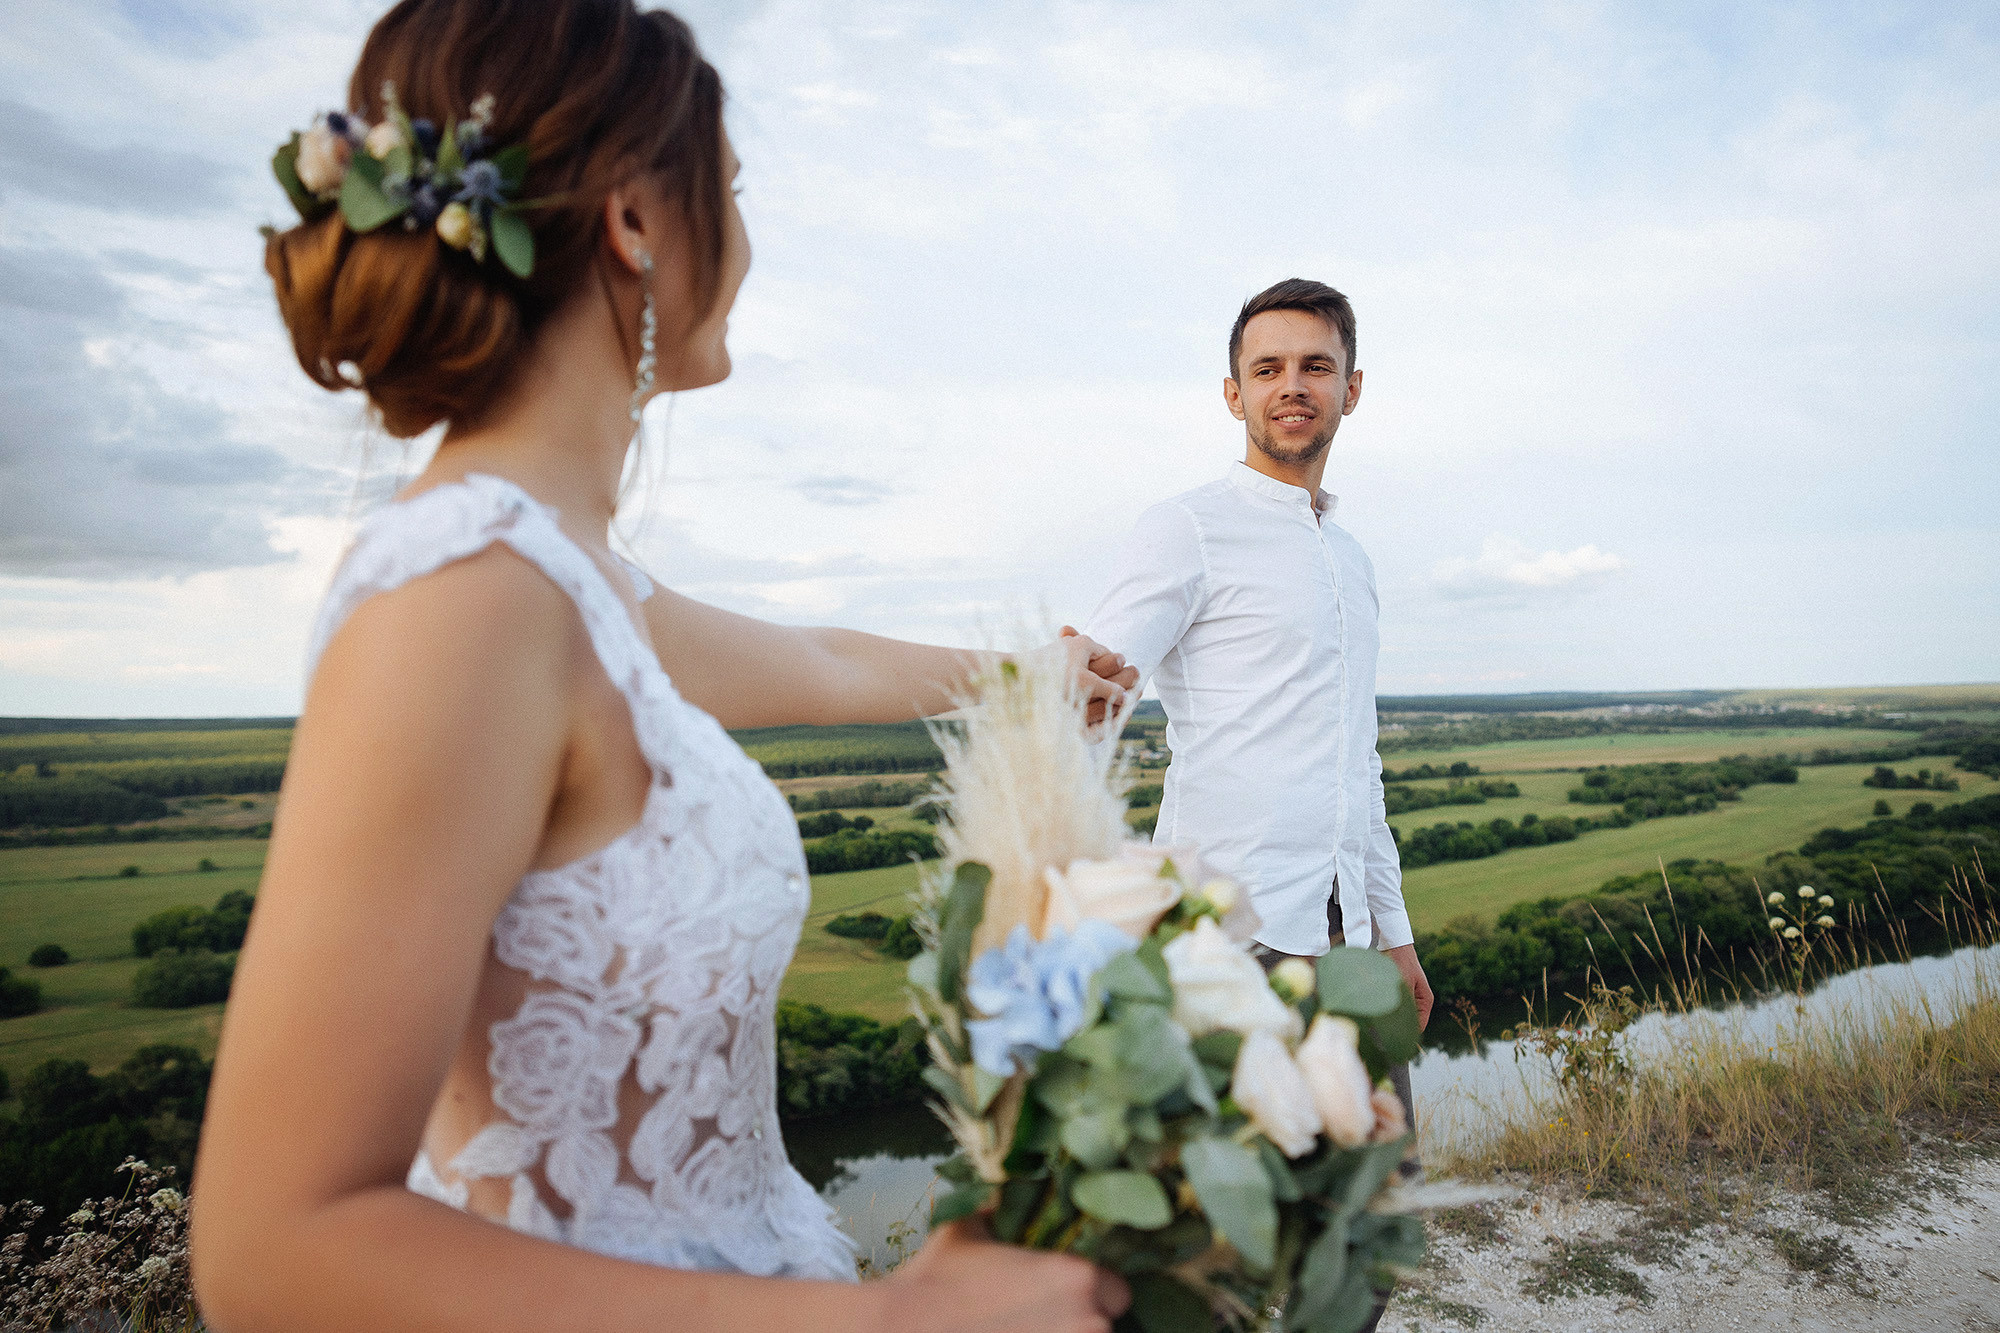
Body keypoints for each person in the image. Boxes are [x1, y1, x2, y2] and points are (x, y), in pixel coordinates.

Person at [188, 3, 1137, 1330]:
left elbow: (819, 657)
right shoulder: (458, 597)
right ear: (637, 221)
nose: (745, 239)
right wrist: (886, 1323)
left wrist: (1028, 679)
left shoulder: (575, 584)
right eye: (730, 191)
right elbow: (274, 1251)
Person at [1083, 277, 1433, 1136]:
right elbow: (1093, 696)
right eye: (1268, 367)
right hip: (1229, 934)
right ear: (1234, 393)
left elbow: (1360, 766)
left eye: (1317, 365)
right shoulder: (1187, 527)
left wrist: (1396, 932)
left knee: (1366, 1195)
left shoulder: (1352, 560)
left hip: (1348, 932)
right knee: (1227, 1222)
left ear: (1352, 389)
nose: (1293, 386)